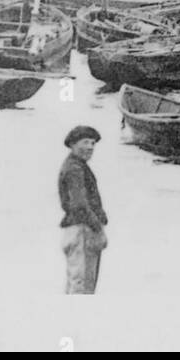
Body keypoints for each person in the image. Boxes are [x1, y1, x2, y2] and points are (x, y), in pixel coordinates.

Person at [59, 126, 108, 294]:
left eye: (93, 143)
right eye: (85, 142)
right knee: (81, 287)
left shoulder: (78, 166)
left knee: (78, 285)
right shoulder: (74, 169)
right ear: (72, 144)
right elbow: (79, 205)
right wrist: (98, 228)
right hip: (82, 231)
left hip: (80, 230)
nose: (90, 147)